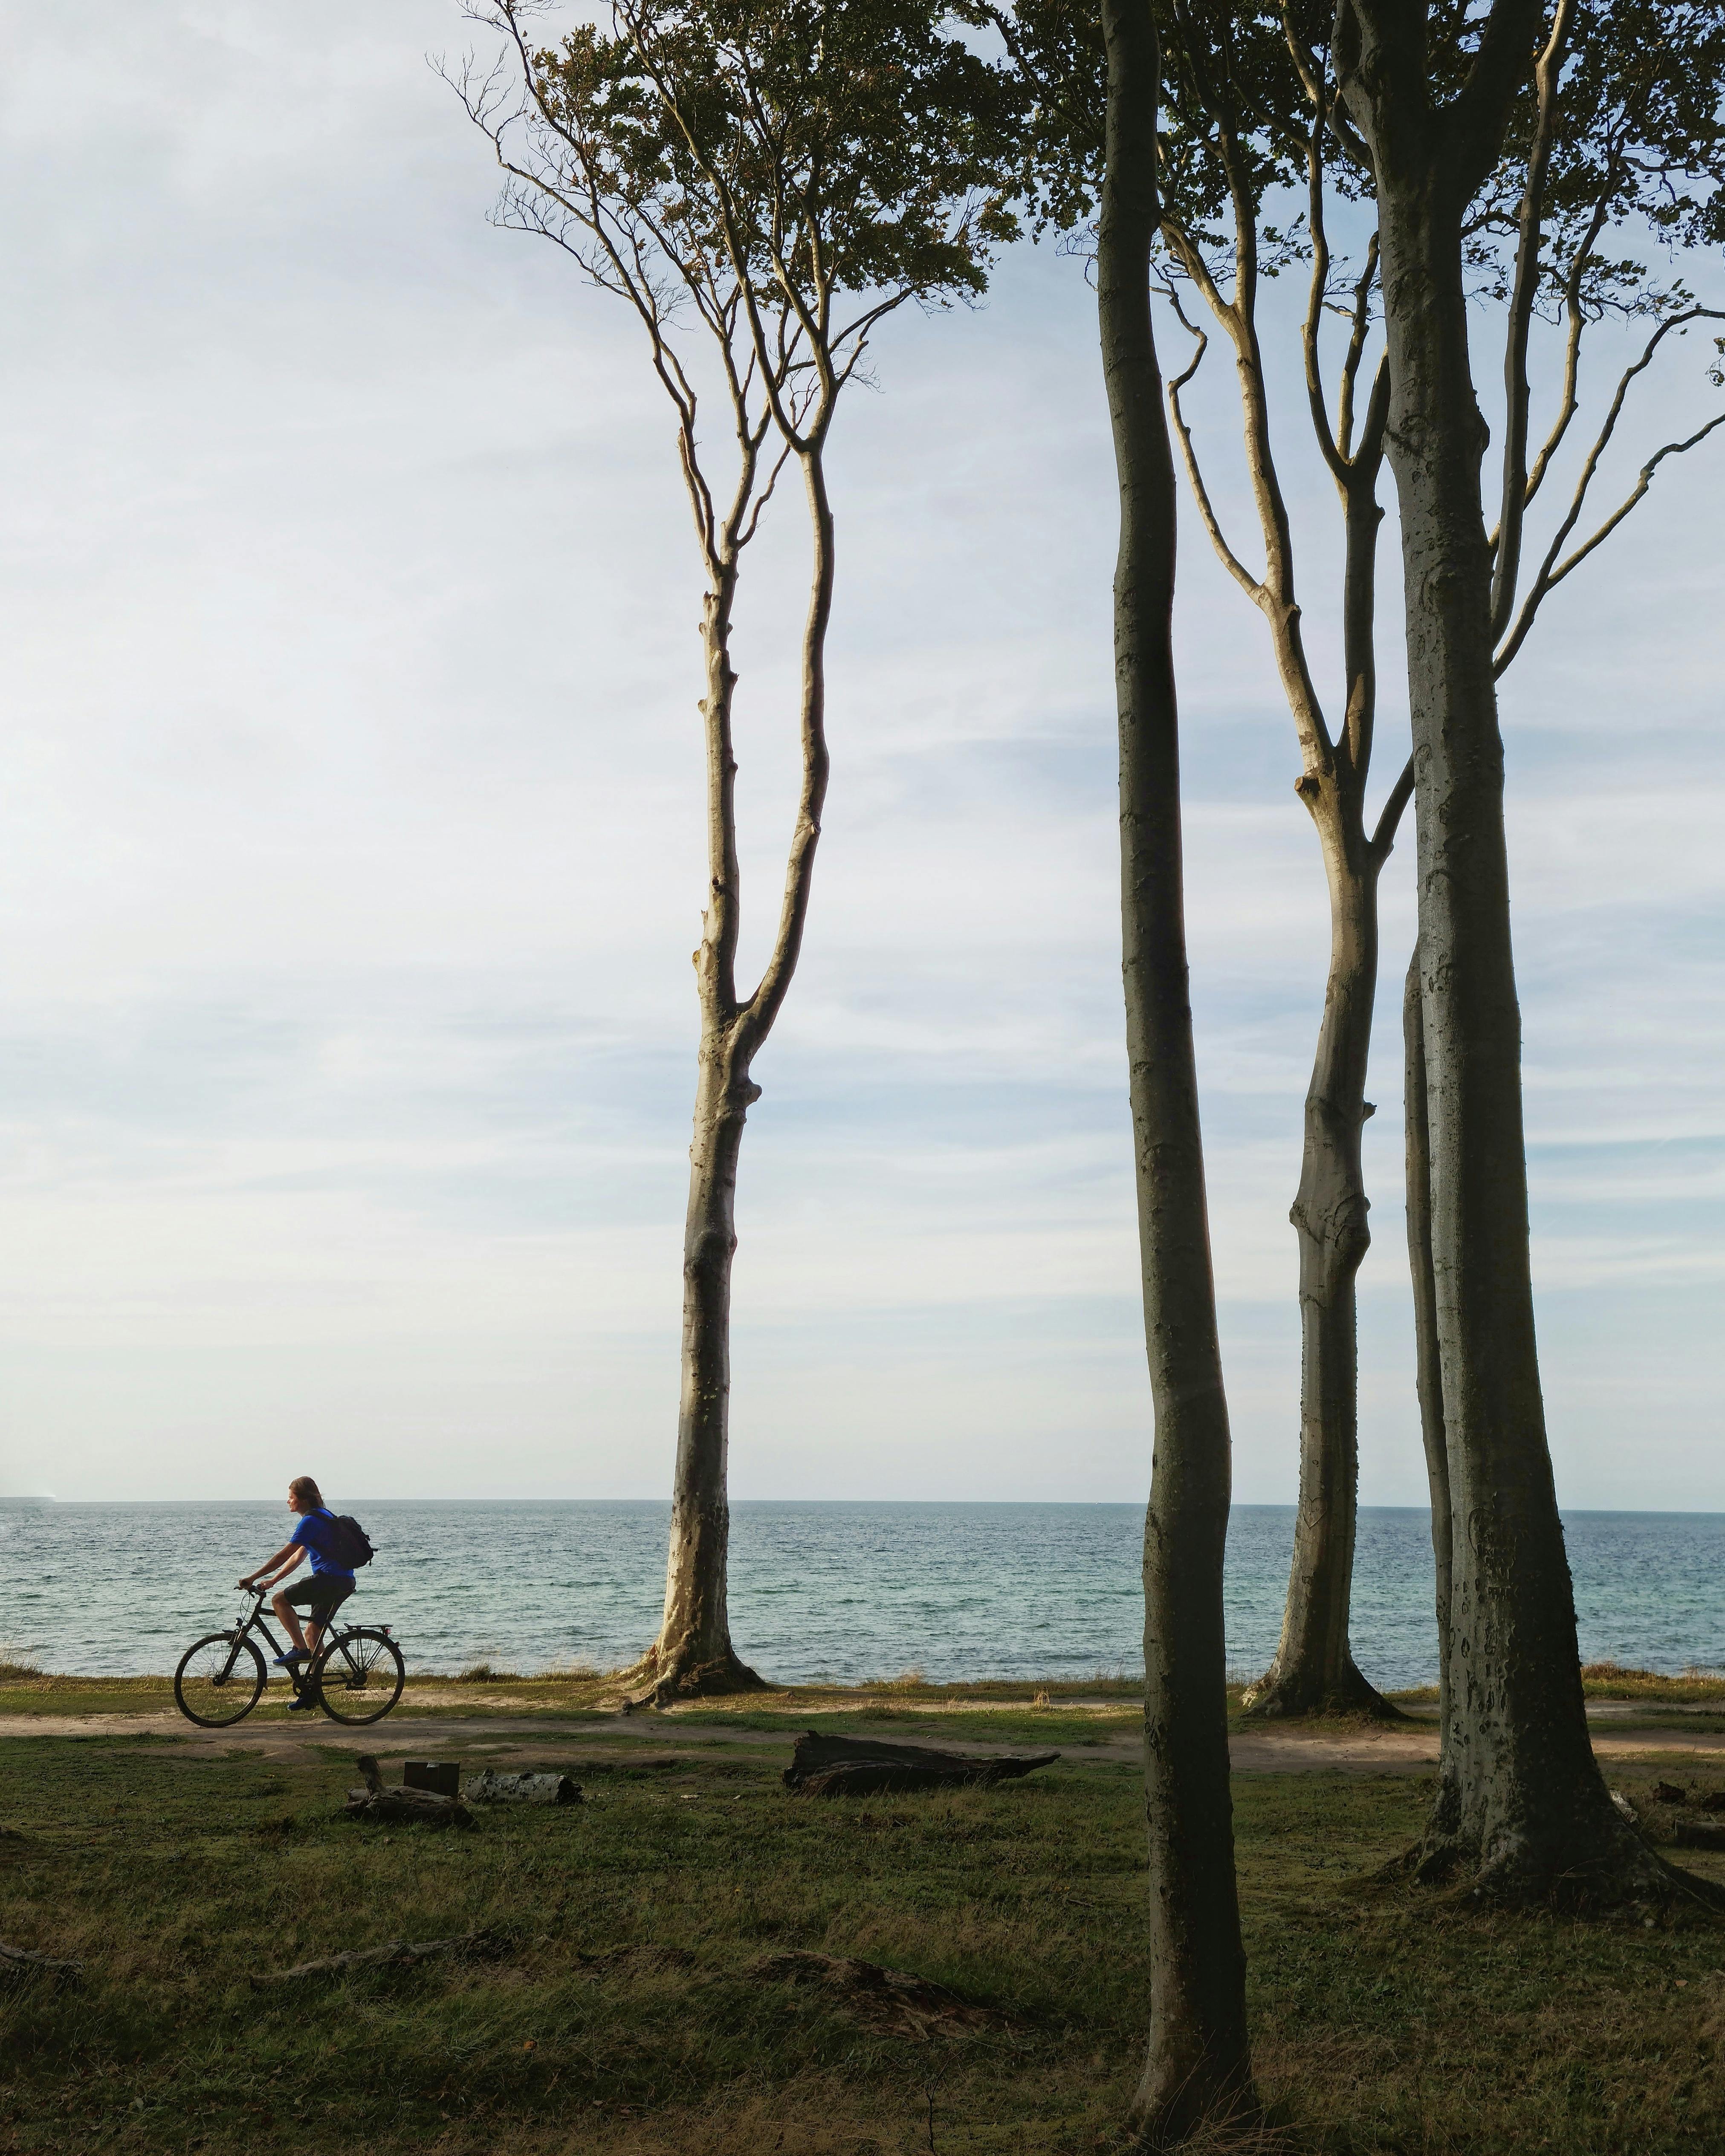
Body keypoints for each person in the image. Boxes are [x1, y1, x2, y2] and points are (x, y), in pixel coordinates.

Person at [240, 1476, 356, 1699]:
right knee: (313, 1634)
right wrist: (274, 1580)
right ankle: (313, 1691)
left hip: (330, 1580)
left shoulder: (310, 1521)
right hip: (342, 1581)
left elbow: (284, 1554)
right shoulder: (324, 1516)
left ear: (302, 1499)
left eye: (291, 1497)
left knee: (278, 1601)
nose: (288, 1502)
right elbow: (297, 1557)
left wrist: (253, 1577)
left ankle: (299, 1650)